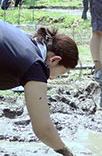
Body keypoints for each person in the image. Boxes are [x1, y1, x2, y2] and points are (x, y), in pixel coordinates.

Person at [0, 20, 79, 156]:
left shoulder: (27, 40)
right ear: (54, 60)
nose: (53, 78)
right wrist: (67, 153)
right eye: (60, 74)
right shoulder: (35, 66)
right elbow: (43, 129)